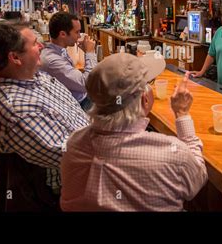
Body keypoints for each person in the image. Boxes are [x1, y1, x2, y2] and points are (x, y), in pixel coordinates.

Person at [60, 53, 208, 211]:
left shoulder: (73, 143)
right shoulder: (172, 154)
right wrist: (182, 114)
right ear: (144, 98)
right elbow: (198, 178)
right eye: (149, 83)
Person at [0, 22, 89, 196]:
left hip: (86, 142)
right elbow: (74, 156)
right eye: (35, 43)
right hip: (65, 180)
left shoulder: (33, 75)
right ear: (15, 58)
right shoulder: (17, 111)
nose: (42, 46)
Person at [40, 13, 97, 111]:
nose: (79, 36)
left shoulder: (59, 50)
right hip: (80, 105)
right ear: (63, 34)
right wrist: (90, 52)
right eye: (77, 32)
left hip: (82, 97)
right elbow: (88, 84)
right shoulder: (52, 60)